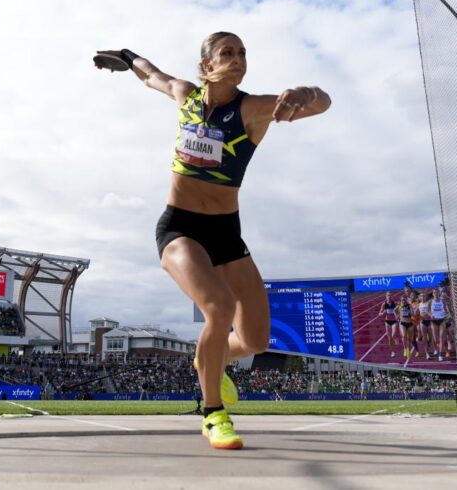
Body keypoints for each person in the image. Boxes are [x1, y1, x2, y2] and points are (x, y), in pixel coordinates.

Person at [95, 32, 331, 449]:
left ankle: (211, 358)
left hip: (227, 233)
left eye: (242, 52)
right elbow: (152, 75)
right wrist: (126, 57)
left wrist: (305, 92)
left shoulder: (256, 108)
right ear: (206, 64)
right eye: (228, 52)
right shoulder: (186, 96)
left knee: (256, 340)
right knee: (218, 306)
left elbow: (323, 102)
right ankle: (213, 413)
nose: (238, 58)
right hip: (179, 228)